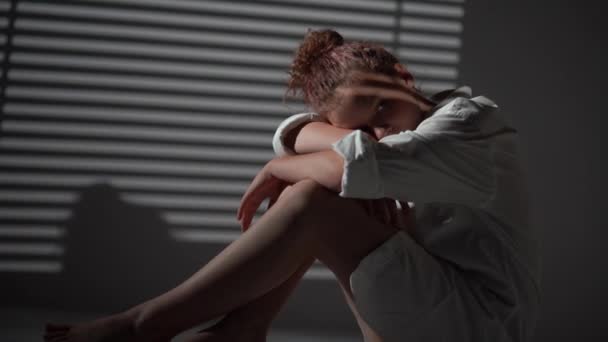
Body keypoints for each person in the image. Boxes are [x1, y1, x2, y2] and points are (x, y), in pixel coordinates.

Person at [43, 29, 540, 342]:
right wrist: (298, 141)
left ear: (405, 78)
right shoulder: (384, 148)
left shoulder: (469, 122)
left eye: (382, 111)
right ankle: (244, 326)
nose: (377, 135)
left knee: (309, 193)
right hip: (421, 316)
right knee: (318, 186)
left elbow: (345, 165)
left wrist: (283, 162)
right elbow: (340, 153)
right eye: (358, 132)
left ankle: (147, 324)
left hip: (476, 324)